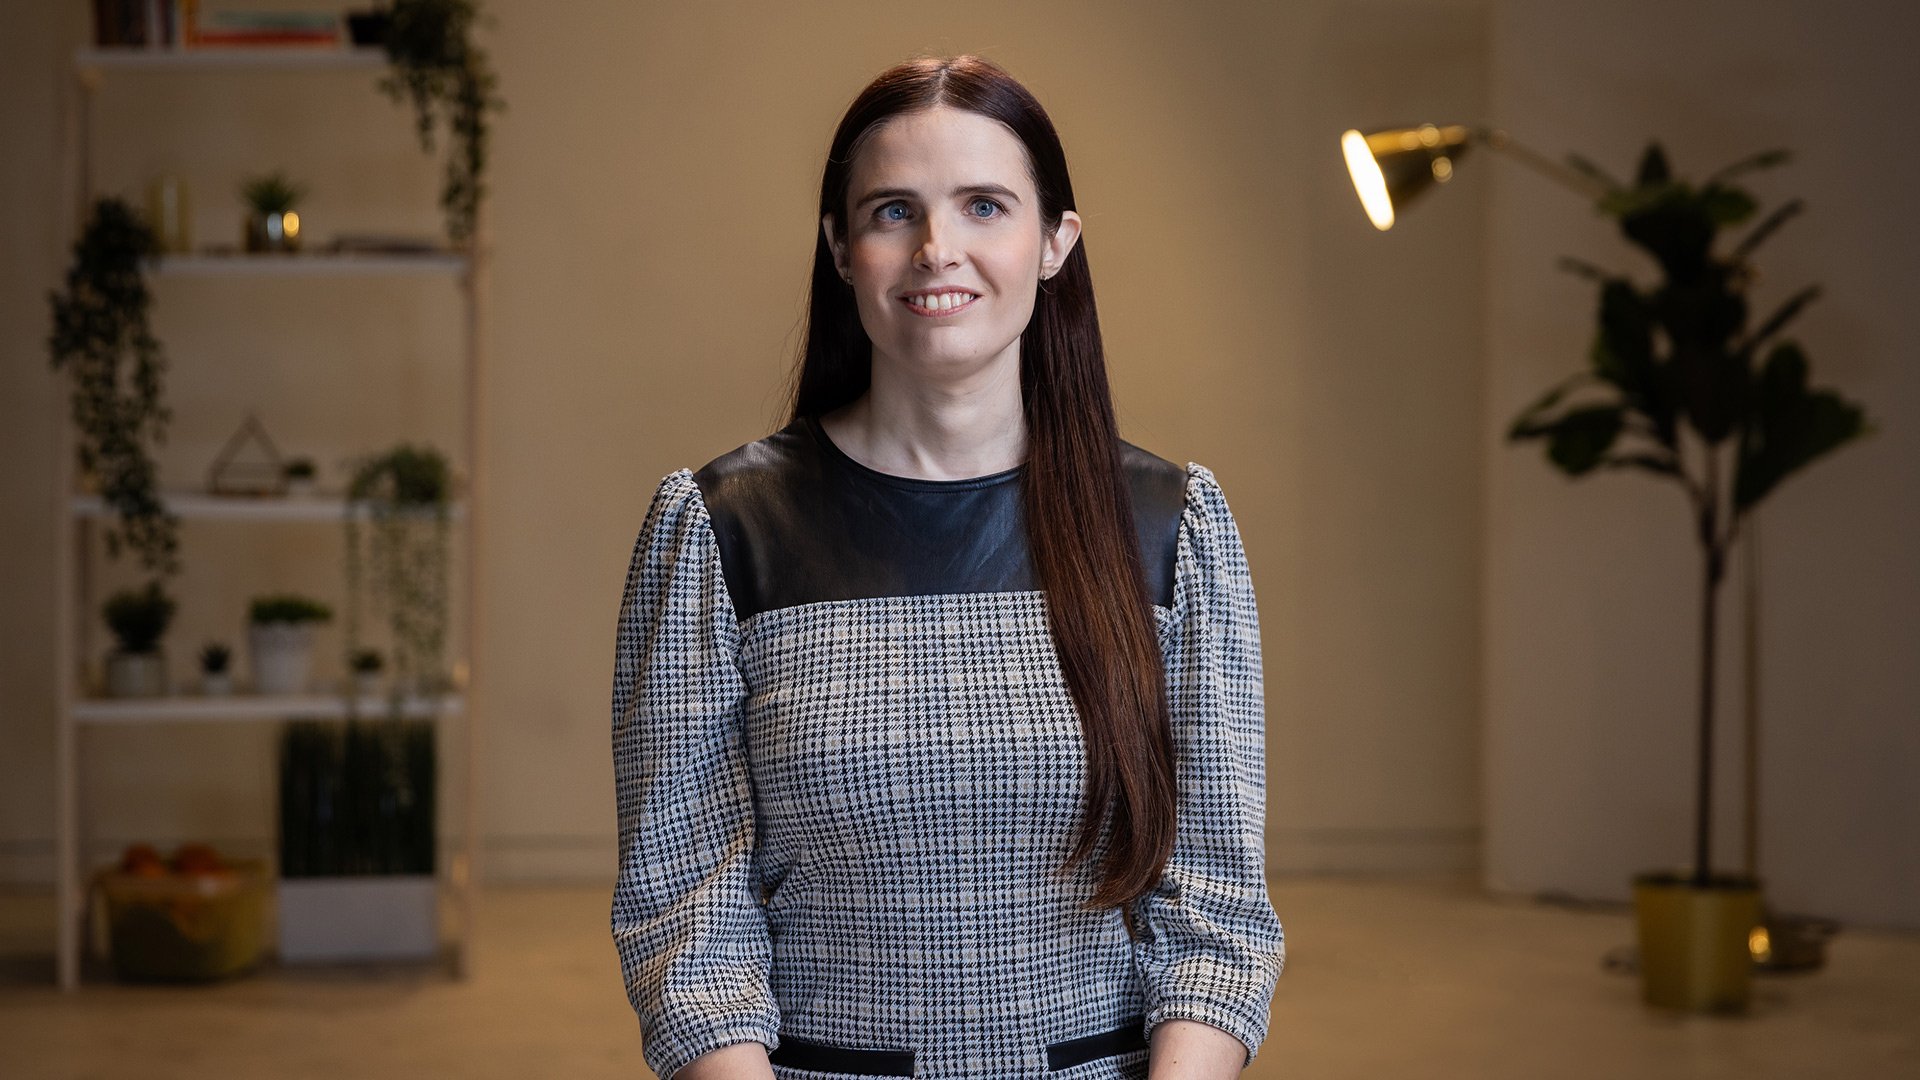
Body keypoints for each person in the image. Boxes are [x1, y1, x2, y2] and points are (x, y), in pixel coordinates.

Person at [611, 54, 1284, 1080]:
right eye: (893, 212)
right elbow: (685, 909)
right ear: (841, 248)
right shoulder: (720, 529)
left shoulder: (1170, 526)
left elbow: (1216, 910)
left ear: (1056, 242)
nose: (938, 250)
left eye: (983, 206)